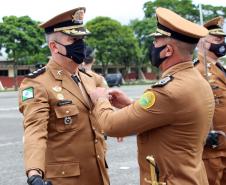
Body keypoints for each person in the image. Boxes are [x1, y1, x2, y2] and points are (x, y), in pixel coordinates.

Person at [89, 7, 215, 185]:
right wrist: (130, 104)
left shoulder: (168, 91)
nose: (152, 47)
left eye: (156, 42)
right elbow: (169, 117)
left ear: (168, 50)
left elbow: (111, 126)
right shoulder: (197, 80)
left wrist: (100, 99)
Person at [19, 7, 109, 185]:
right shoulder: (37, 84)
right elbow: (35, 132)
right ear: (54, 47)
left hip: (99, 176)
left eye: (82, 39)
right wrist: (34, 173)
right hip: (66, 180)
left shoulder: (92, 79)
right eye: (73, 39)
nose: (80, 44)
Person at [194, 16, 226, 185]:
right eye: (217, 39)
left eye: (223, 39)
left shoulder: (221, 69)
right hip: (211, 149)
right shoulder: (197, 71)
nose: (222, 43)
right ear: (203, 42)